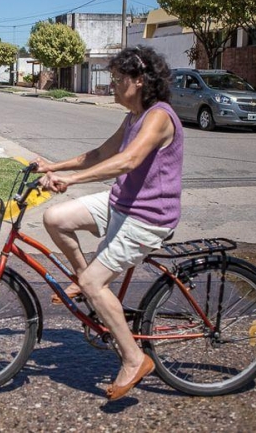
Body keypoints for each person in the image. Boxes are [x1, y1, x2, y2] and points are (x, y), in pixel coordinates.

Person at [34, 46, 183, 401]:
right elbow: (102, 154)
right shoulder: (134, 116)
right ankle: (87, 280)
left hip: (148, 217)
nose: (112, 86)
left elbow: (128, 161)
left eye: (117, 80)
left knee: (92, 283)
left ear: (140, 81)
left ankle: (134, 358)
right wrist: (54, 167)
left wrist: (72, 181)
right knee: (55, 217)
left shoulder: (159, 117)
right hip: (121, 203)